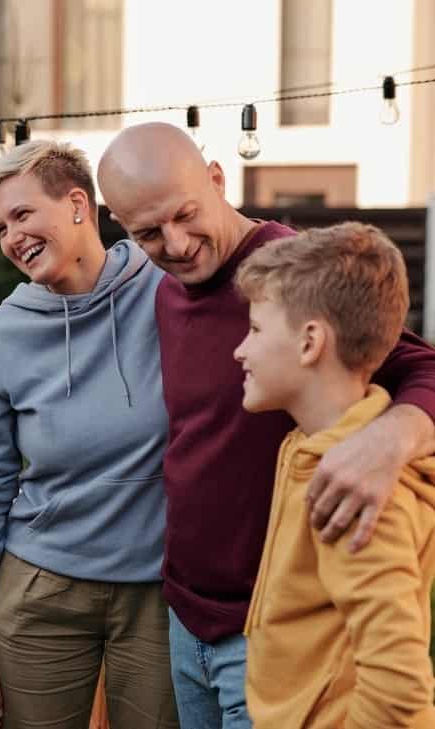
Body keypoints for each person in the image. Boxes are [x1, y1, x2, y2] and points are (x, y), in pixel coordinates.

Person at [97, 122, 435, 729]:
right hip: (186, 614)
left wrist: (391, 439)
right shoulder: (168, 292)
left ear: (218, 180)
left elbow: (421, 365)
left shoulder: (289, 277)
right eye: (147, 232)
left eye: (185, 215)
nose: (174, 245)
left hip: (272, 628)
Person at [0, 139, 178, 729]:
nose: (10, 238)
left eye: (22, 215)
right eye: (0, 228)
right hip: (39, 591)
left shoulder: (167, 289)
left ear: (79, 203)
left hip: (158, 591)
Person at [232, 222, 435, 729]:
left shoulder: (354, 489)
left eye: (255, 329)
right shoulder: (307, 446)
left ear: (309, 343)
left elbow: (400, 692)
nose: (240, 350)